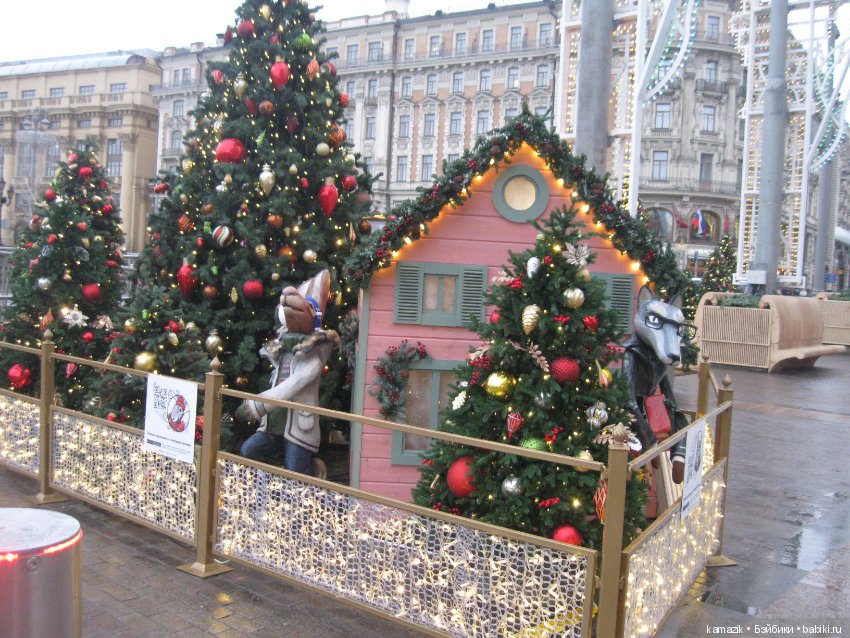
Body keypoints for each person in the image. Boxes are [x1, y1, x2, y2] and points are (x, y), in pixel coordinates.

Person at [235, 270, 338, 477]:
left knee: (296, 472)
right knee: (248, 452)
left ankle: (313, 475)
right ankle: (269, 485)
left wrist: (254, 406)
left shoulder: (313, 356)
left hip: (299, 428)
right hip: (273, 424)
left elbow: (292, 385)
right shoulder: (281, 349)